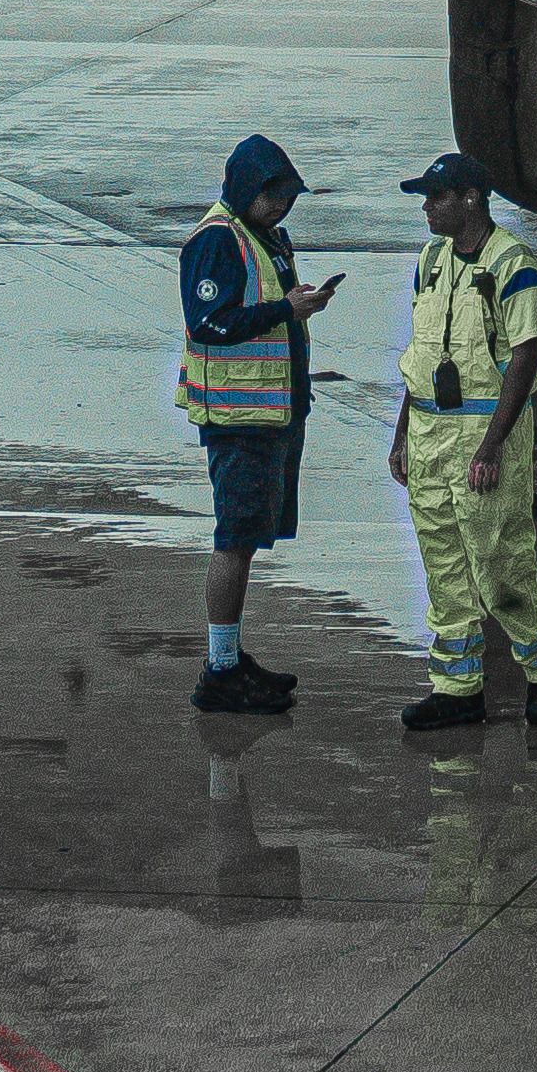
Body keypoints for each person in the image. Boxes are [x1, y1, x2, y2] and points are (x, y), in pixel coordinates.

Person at [389, 148, 537, 733]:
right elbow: (420, 356)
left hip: (482, 437)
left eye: (435, 197)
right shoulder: (430, 262)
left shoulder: (513, 265)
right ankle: (456, 690)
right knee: (443, 566)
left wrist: (491, 448)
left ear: (471, 199)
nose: (426, 208)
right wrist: (401, 435)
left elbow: (526, 358)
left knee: (500, 564)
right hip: (429, 435)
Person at [177, 134, 337, 714]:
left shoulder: (265, 236)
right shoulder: (217, 240)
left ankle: (229, 657)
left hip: (272, 412)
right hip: (239, 417)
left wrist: (297, 302)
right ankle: (220, 669)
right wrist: (283, 310)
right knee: (234, 538)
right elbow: (208, 324)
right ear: (247, 190)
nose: (282, 208)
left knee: (246, 538)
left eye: (289, 199)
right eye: (274, 197)